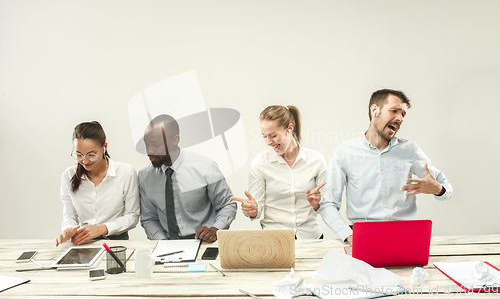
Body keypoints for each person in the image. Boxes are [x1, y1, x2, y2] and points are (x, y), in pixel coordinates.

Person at [320, 89, 453, 245]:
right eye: (394, 111)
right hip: (363, 234)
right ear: (375, 110)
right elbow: (328, 204)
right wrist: (348, 235)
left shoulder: (410, 150)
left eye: (403, 114)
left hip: (404, 234)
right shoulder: (344, 153)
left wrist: (438, 189)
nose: (400, 118)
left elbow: (446, 187)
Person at [232, 105, 327, 239]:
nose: (268, 142)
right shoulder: (260, 163)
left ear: (290, 128)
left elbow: (327, 206)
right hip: (275, 239)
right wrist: (252, 210)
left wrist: (317, 204)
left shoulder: (316, 160)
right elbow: (256, 209)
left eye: (274, 135)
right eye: (264, 136)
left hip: (311, 237)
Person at [138, 114, 237, 242]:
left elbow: (227, 204)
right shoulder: (145, 176)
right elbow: (149, 218)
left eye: (156, 145)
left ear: (175, 140)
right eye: (146, 144)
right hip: (165, 244)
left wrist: (215, 229)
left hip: (203, 242)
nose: (149, 150)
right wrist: (162, 242)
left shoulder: (205, 168)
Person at [55, 121, 140, 246]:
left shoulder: (126, 172)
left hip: (116, 243)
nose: (84, 161)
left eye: (91, 154)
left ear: (104, 147)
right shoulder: (68, 175)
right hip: (82, 242)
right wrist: (68, 230)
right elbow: (69, 215)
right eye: (79, 155)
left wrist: (102, 229)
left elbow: (132, 216)